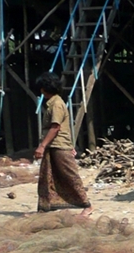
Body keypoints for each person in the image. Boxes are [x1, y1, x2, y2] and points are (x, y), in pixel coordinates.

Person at [34, 72, 92, 217]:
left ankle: (87, 205)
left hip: (59, 145)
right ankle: (44, 207)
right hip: (53, 146)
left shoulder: (57, 104)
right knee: (47, 177)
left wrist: (41, 146)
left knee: (70, 175)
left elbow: (56, 127)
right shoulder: (52, 103)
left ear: (44, 89)